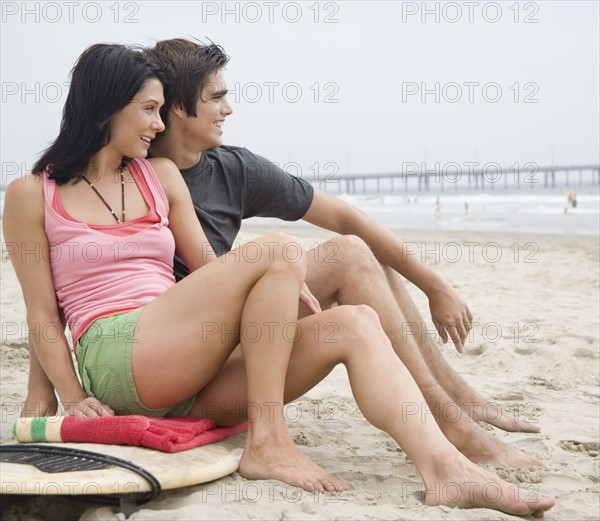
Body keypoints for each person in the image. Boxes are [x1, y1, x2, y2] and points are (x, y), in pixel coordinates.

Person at [3, 43, 555, 516]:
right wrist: (68, 397)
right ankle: (269, 441)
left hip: (184, 366)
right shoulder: (33, 193)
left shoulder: (160, 176)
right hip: (117, 354)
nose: (156, 124)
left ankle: (446, 470)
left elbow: (212, 272)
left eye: (158, 110)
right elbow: (42, 312)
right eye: (148, 110)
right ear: (106, 109)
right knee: (279, 250)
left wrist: (280, 286)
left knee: (355, 324)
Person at [142, 38, 542, 468]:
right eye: (217, 97)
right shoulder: (136, 175)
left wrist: (434, 284)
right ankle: (454, 423)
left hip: (234, 343)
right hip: (183, 367)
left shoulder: (233, 169)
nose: (229, 109)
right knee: (349, 257)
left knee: (355, 252)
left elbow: (347, 218)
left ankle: (459, 402)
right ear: (179, 106)